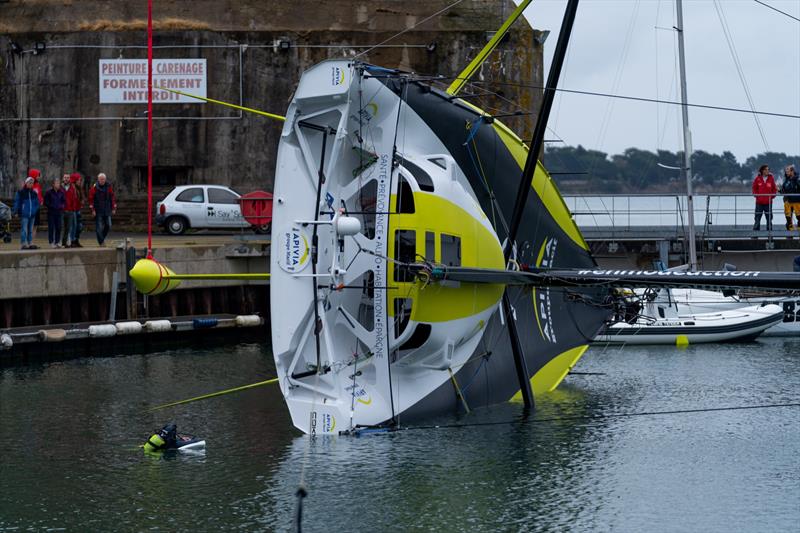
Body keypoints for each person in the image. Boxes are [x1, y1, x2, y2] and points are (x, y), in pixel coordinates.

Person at [89, 172, 117, 246]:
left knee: (109, 225)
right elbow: (91, 199)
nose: (102, 181)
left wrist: (113, 207)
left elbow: (112, 197)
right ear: (98, 179)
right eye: (101, 179)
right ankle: (101, 242)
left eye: (103, 179)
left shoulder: (109, 186)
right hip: (98, 210)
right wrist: (93, 210)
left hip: (107, 209)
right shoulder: (94, 188)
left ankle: (101, 239)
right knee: (99, 227)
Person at [12, 177, 40, 250]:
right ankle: (23, 243)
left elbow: (37, 203)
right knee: (24, 229)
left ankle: (30, 242)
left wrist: (34, 210)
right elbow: (17, 202)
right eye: (29, 183)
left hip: (32, 214)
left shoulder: (34, 193)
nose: (31, 184)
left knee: (30, 230)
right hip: (25, 214)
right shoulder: (21, 192)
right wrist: (15, 211)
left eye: (32, 183)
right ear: (26, 183)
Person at [43, 176, 66, 248]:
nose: (58, 184)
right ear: (53, 184)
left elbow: (64, 201)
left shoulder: (61, 192)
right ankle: (51, 242)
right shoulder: (48, 192)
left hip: (59, 212)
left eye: (59, 183)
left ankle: (57, 242)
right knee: (51, 227)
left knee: (59, 227)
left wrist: (62, 206)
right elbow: (46, 202)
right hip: (51, 212)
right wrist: (51, 206)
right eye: (57, 183)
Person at [752, 164, 776, 231]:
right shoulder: (757, 179)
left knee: (769, 219)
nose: (767, 171)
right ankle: (755, 235)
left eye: (768, 169)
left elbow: (774, 189)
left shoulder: (771, 178)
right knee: (757, 219)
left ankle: (770, 236)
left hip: (768, 202)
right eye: (766, 169)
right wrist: (757, 196)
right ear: (762, 170)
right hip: (759, 203)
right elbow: (754, 188)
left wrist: (772, 197)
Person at [62, 176, 81, 247]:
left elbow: (74, 198)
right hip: (62, 210)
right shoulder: (61, 187)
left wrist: (73, 208)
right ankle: (63, 241)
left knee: (70, 226)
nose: (66, 179)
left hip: (71, 209)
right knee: (63, 227)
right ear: (63, 179)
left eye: (67, 178)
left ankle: (70, 241)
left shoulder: (72, 188)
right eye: (65, 177)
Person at [780, 165, 799, 231]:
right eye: (786, 171)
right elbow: (783, 190)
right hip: (787, 200)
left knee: (799, 216)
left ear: (792, 171)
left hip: (797, 200)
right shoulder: (786, 180)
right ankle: (789, 231)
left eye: (788, 171)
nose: (786, 172)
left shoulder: (798, 178)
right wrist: (779, 190)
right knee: (788, 216)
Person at [70, 172, 85, 247]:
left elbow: (80, 199)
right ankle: (73, 240)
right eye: (79, 180)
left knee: (79, 226)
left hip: (77, 209)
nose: (80, 181)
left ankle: (76, 239)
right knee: (74, 226)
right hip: (73, 209)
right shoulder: (72, 188)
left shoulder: (79, 188)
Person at [28, 168, 44, 241]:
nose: (38, 177)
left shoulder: (37, 184)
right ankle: (29, 241)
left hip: (37, 207)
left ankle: (32, 241)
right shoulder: (29, 185)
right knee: (30, 225)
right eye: (37, 175)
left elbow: (39, 194)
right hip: (31, 208)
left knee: (35, 225)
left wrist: (41, 200)